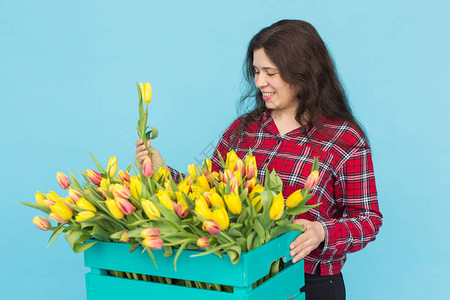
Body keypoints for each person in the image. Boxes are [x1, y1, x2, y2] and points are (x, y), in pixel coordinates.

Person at [135, 19, 382, 300]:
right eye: (256, 71)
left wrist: (321, 231)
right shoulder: (243, 129)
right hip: (246, 281)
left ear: (303, 74)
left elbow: (368, 220)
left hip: (311, 283)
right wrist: (162, 171)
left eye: (270, 72)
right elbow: (208, 189)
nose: (259, 82)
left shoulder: (344, 139)